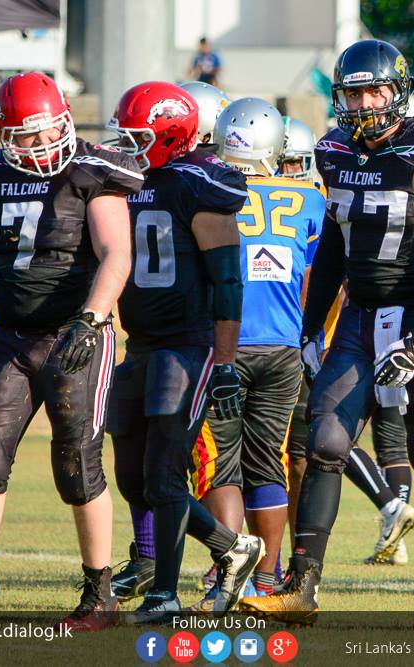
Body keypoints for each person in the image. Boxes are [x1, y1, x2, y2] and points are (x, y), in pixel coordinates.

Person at [239, 39, 414, 629]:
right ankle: (302, 588)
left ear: (398, 91)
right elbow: (333, 249)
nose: (364, 103)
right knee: (325, 442)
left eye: (375, 91)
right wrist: (308, 327)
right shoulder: (333, 151)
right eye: (353, 93)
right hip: (360, 317)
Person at [0, 72, 143, 631]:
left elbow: (116, 252)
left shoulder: (93, 170)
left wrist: (92, 318)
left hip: (74, 333)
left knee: (76, 464)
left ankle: (100, 596)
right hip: (12, 335)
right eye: (27, 136)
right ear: (4, 135)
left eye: (48, 131)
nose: (41, 144)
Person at [105, 81, 263, 624]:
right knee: (133, 476)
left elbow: (228, 281)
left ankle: (164, 595)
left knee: (165, 475)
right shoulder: (126, 181)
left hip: (188, 346)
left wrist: (225, 362)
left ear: (171, 133)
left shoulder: (199, 182)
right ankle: (233, 547)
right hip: (141, 343)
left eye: (138, 137)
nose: (128, 146)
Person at [187, 99, 326, 611]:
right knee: (269, 462)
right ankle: (267, 579)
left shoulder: (207, 188)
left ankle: (232, 576)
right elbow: (316, 277)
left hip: (222, 343)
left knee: (220, 465)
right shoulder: (309, 198)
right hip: (284, 346)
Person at [278, 115, 414, 567]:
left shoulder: (317, 201)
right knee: (378, 437)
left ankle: (388, 507)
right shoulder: (329, 194)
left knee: (320, 439)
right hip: (381, 329)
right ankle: (392, 516)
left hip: (334, 340)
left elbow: (323, 277)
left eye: (292, 162)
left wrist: (312, 332)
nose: (286, 170)